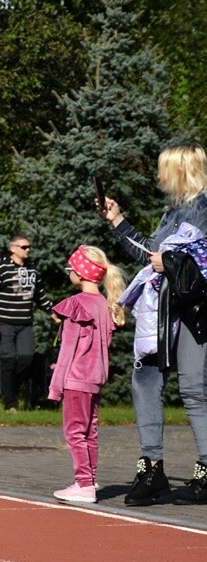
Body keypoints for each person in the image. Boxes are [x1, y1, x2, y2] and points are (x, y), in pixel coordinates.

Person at [101, 142, 207, 505]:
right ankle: (152, 469)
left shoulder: (205, 207)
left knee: (195, 389)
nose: (159, 176)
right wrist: (117, 221)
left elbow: (185, 260)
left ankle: (206, 472)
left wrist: (173, 262)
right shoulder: (174, 210)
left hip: (196, 312)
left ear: (181, 169)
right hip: (162, 311)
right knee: (144, 378)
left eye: (164, 168)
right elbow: (152, 255)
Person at [47, 245, 125, 503]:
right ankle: (89, 478)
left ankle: (84, 484)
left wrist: (55, 386)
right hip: (95, 378)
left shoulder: (76, 305)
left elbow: (67, 351)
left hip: (76, 378)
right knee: (89, 431)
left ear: (79, 274)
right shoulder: (104, 304)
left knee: (74, 432)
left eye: (70, 269)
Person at [0, 235, 57, 412]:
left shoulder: (32, 269)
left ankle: (10, 391)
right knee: (7, 361)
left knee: (26, 359)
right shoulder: (1, 268)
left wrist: (52, 311)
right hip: (5, 323)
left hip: (25, 324)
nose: (28, 249)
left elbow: (40, 295)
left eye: (29, 247)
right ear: (13, 249)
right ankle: (10, 403)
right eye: (24, 247)